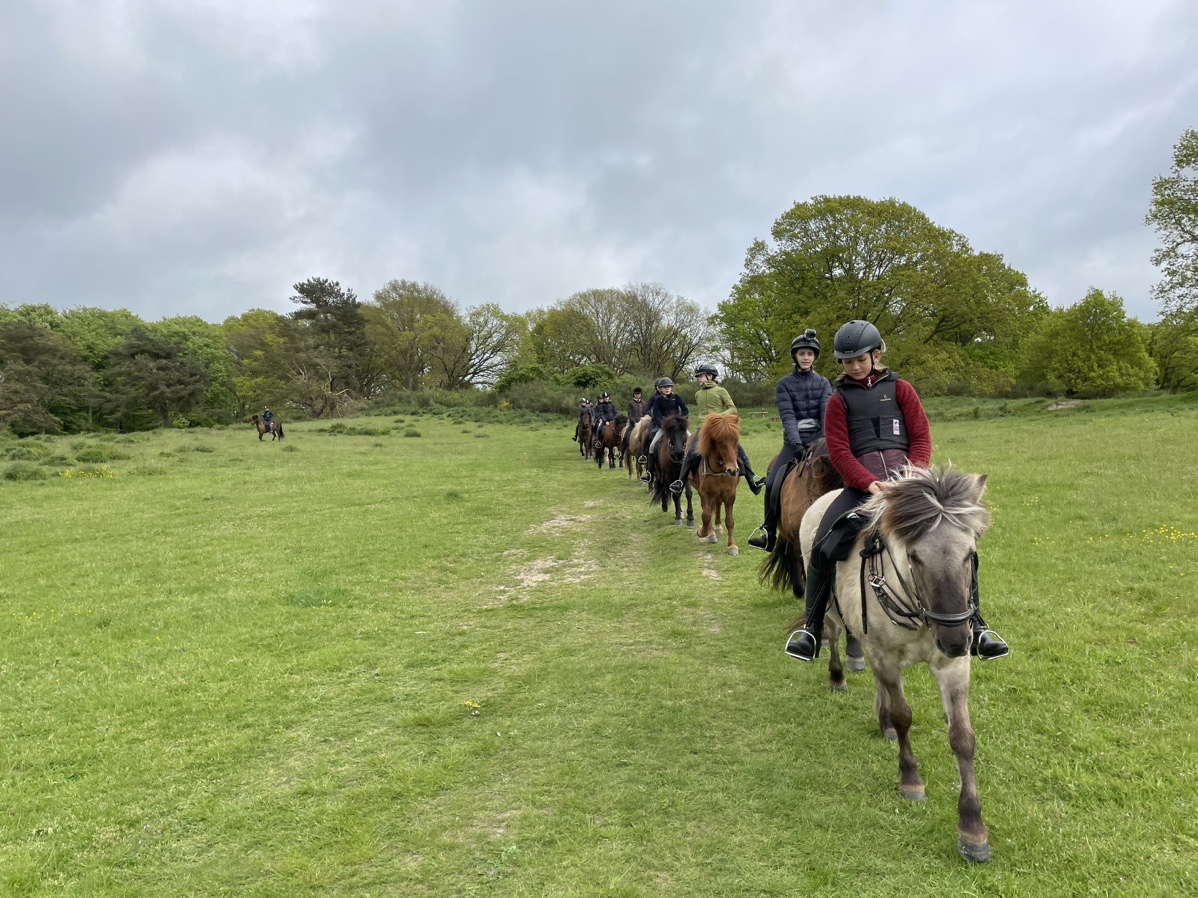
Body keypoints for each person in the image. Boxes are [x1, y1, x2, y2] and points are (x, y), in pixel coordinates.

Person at [784, 320, 1009, 663]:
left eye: (860, 359)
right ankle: (812, 629)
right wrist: (869, 483)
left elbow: (920, 437)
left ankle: (977, 625)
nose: (854, 366)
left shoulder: (902, 389)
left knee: (957, 545)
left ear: (876, 355)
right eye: (847, 361)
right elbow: (840, 451)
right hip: (862, 488)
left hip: (909, 486)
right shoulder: (838, 401)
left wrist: (911, 477)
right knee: (821, 545)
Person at [747, 330, 832, 551]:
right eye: (802, 353)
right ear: (795, 356)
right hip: (794, 443)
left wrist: (822, 442)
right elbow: (788, 416)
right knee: (773, 482)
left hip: (820, 442)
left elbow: (826, 414)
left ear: (814, 357)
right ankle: (768, 530)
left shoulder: (823, 383)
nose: (806, 357)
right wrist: (796, 443)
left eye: (810, 354)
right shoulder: (784, 384)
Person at [668, 364, 763, 496]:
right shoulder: (697, 394)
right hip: (704, 430)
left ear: (710, 376)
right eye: (698, 376)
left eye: (700, 376)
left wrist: (717, 417)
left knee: (741, 453)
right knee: (690, 454)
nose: (698, 378)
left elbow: (732, 409)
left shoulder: (721, 391)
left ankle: (753, 481)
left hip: (720, 429)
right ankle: (680, 483)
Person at [639, 377, 688, 484]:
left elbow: (685, 409)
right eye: (665, 387)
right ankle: (650, 472)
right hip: (664, 427)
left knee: (691, 438)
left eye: (669, 387)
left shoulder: (677, 397)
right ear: (660, 389)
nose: (667, 389)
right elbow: (656, 414)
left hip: (677, 426)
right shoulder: (658, 400)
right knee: (652, 445)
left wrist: (682, 420)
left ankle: (693, 468)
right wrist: (663, 425)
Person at [623, 387, 647, 456]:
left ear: (641, 394)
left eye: (639, 394)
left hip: (642, 423)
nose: (637, 395)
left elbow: (645, 413)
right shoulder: (631, 403)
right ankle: (622, 451)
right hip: (633, 423)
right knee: (626, 435)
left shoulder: (644, 403)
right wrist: (634, 423)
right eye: (636, 394)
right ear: (634, 395)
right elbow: (630, 414)